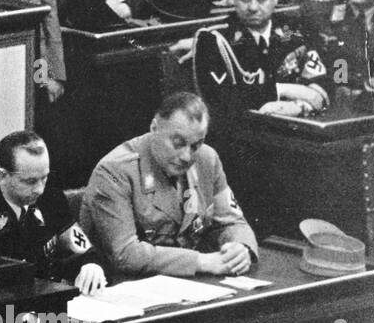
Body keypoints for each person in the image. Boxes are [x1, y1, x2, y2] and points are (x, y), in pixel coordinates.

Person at [80, 91, 258, 278]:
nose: (187, 156)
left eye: (196, 145)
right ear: (154, 127)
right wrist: (201, 262)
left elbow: (232, 221)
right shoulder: (114, 171)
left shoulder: (207, 159)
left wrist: (240, 248)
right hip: (119, 286)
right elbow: (126, 254)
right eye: (178, 143)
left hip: (185, 284)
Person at [0, 131, 104, 294]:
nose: (40, 189)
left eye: (44, 178)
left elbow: (78, 247)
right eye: (30, 181)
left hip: (49, 308)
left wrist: (90, 264)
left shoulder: (51, 197)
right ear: (3, 176)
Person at [194, 0, 327, 133]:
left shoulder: (294, 32)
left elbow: (321, 81)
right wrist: (285, 89)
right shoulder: (213, 40)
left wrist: (299, 106)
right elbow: (223, 99)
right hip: (240, 142)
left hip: (298, 135)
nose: (253, 7)